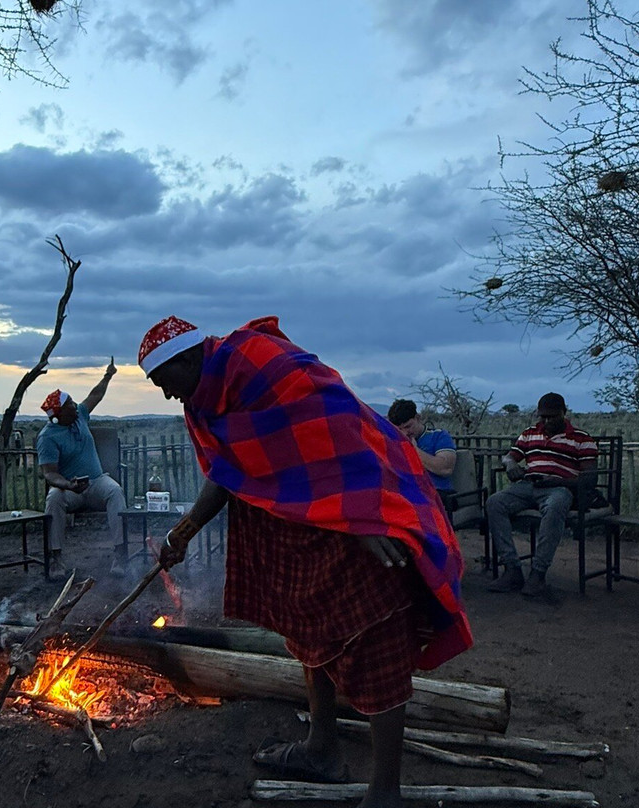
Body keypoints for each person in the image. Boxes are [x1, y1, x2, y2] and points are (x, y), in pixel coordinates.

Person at [138, 315, 472, 808]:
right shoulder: (202, 401)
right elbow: (230, 469)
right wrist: (183, 533)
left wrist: (363, 519)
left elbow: (338, 422)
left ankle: (385, 791)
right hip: (296, 527)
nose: (168, 395)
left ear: (187, 359)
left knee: (374, 638)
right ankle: (322, 749)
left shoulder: (259, 362)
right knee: (307, 632)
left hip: (358, 516)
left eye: (166, 382)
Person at [485, 392, 597, 598]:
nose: (546, 422)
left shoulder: (581, 438)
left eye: (552, 417)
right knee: (495, 502)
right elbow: (510, 456)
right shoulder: (530, 433)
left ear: (564, 412)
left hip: (559, 488)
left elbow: (589, 479)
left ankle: (538, 573)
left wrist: (556, 481)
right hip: (528, 485)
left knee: (555, 506)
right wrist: (510, 464)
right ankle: (511, 568)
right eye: (543, 417)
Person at [36, 358, 127, 576]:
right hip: (70, 489)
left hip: (96, 481)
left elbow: (95, 395)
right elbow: (49, 473)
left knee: (115, 491)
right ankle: (56, 559)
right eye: (70, 404)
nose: (75, 405)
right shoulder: (47, 437)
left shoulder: (80, 416)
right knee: (54, 498)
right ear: (59, 414)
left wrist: (108, 375)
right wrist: (68, 485)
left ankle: (120, 555)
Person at [386, 399, 456, 510]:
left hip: (437, 493)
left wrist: (414, 450)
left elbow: (445, 468)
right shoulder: (395, 442)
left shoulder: (439, 436)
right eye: (400, 430)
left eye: (408, 426)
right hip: (408, 492)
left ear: (418, 418)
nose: (405, 433)